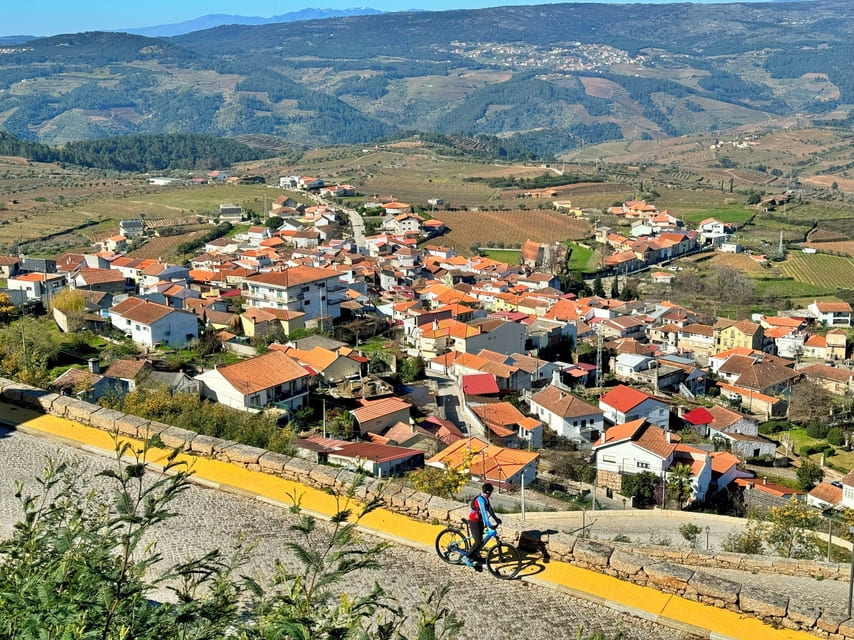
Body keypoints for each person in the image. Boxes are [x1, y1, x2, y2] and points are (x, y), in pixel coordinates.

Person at [464, 483, 501, 567]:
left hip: (479, 520)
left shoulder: (486, 498)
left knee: (480, 540)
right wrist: (489, 524)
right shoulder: (480, 499)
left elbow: (490, 510)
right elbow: (484, 513)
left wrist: (496, 518)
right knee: (477, 542)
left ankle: (476, 556)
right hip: (474, 521)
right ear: (489, 492)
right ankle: (466, 557)